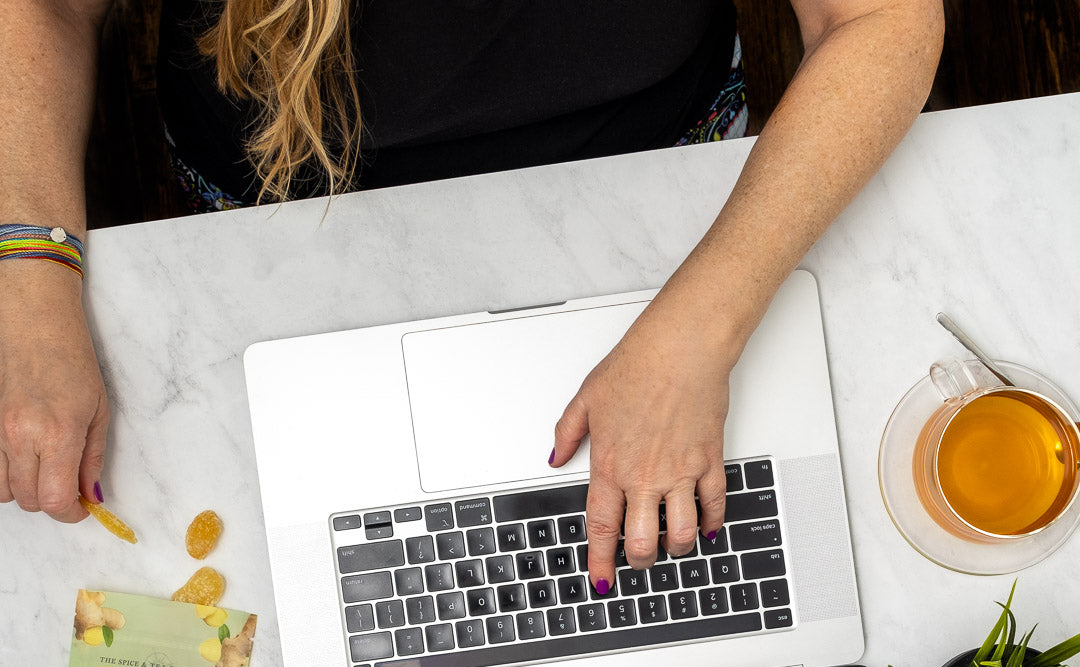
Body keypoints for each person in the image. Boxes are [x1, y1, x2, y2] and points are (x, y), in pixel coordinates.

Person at [0, 0, 944, 595]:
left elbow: (883, 21)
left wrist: (698, 332)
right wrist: (30, 271)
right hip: (280, 225)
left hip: (674, 211)